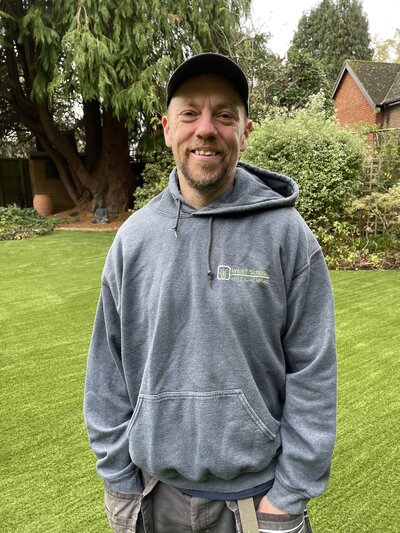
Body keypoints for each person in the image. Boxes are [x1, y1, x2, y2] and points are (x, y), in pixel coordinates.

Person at [84, 53, 337, 533]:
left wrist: (288, 495)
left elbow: (313, 372)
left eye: (224, 114)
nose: (206, 129)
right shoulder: (133, 240)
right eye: (190, 113)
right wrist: (118, 476)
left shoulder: (288, 237)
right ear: (167, 129)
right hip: (153, 497)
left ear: (245, 132)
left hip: (256, 503)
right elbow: (106, 373)